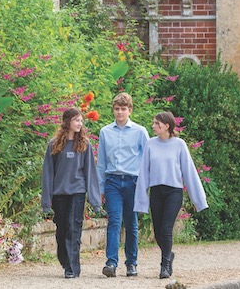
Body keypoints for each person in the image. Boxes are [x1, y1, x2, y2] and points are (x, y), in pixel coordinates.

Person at [134, 111, 208, 280]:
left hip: (173, 191)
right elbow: (144, 172)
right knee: (158, 231)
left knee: (166, 229)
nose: (153, 126)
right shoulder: (150, 145)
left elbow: (189, 172)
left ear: (167, 126)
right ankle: (169, 254)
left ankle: (165, 265)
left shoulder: (179, 145)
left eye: (157, 124)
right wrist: (141, 199)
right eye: (153, 123)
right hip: (156, 191)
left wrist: (198, 200)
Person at [41, 107, 102, 279]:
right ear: (67, 122)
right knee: (62, 230)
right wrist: (46, 201)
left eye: (81, 121)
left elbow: (90, 172)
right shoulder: (54, 145)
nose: (80, 124)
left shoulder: (84, 145)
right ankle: (65, 260)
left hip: (77, 192)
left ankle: (72, 267)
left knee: (74, 229)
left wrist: (95, 200)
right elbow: (48, 173)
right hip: (59, 194)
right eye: (77, 120)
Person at [96, 92, 148, 277]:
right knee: (114, 221)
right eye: (117, 109)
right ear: (113, 110)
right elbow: (101, 162)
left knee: (131, 223)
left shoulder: (140, 132)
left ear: (130, 110)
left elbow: (146, 160)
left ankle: (131, 263)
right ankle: (111, 263)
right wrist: (101, 188)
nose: (120, 113)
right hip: (112, 181)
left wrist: (144, 186)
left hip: (133, 182)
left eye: (123, 109)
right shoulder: (105, 132)